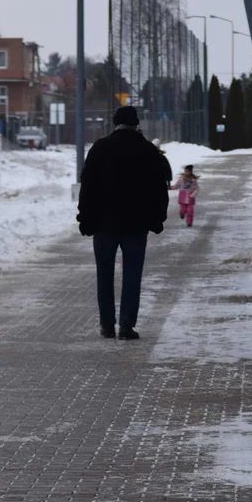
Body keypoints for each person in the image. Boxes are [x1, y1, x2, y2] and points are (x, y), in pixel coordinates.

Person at [77, 105, 168, 341]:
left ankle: (107, 325)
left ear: (114, 123)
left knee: (104, 275)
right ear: (136, 124)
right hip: (136, 225)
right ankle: (127, 326)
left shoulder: (100, 148)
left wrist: (85, 219)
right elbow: (159, 188)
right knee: (132, 275)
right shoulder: (148, 150)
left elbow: (87, 187)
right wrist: (157, 218)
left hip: (103, 225)